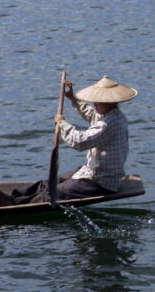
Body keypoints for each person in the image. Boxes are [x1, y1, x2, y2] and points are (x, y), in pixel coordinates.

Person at [8, 75, 138, 205]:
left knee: (54, 193)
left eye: (96, 102)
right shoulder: (111, 114)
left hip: (101, 181)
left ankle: (16, 204)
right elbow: (92, 114)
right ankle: (13, 197)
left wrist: (62, 123)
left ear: (108, 102)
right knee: (48, 183)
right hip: (91, 172)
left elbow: (80, 142)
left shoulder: (108, 124)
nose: (94, 104)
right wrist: (72, 99)